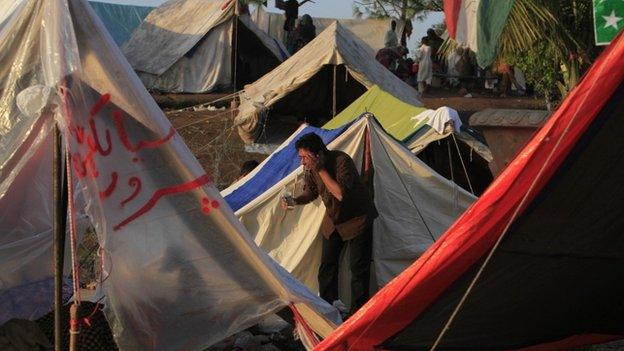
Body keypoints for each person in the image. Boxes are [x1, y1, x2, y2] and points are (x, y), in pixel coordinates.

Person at [282, 133, 376, 314]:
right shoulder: (310, 169)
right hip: (334, 220)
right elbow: (311, 192)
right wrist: (295, 200)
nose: (302, 162)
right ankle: (328, 309)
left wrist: (321, 169)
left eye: (304, 157)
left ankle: (359, 314)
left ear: (316, 154)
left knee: (358, 270)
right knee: (327, 268)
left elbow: (340, 194)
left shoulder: (341, 161)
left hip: (357, 219)